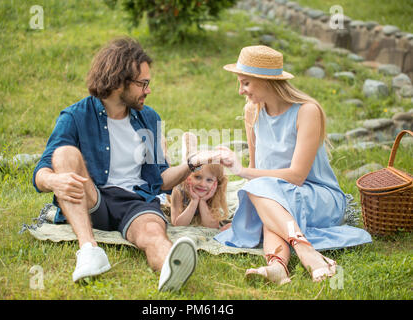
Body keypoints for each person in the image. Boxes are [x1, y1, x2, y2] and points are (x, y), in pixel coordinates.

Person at [32, 37, 218, 291]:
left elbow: (159, 179)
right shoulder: (75, 116)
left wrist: (191, 163)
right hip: (92, 197)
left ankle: (170, 269)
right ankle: (89, 250)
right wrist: (53, 180)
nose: (148, 90)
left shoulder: (149, 118)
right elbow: (41, 171)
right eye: (143, 84)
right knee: (64, 154)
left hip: (135, 201)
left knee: (153, 233)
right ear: (120, 82)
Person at [214, 45, 372, 285]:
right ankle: (277, 266)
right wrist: (242, 217)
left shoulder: (307, 111)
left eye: (245, 83)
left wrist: (240, 170)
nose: (240, 91)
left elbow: (297, 176)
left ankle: (305, 250)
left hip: (318, 197)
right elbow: (257, 171)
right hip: (275, 196)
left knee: (265, 195)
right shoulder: (252, 111)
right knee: (266, 199)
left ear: (265, 81)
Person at [169, 133, 229, 229]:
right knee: (185, 164)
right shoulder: (178, 190)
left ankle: (191, 152)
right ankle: (189, 147)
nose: (202, 184)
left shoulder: (214, 192)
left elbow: (212, 226)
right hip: (187, 174)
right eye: (198, 177)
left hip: (198, 171)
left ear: (215, 183)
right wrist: (194, 201)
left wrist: (202, 201)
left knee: (194, 162)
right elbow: (177, 224)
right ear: (189, 177)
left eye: (209, 180)